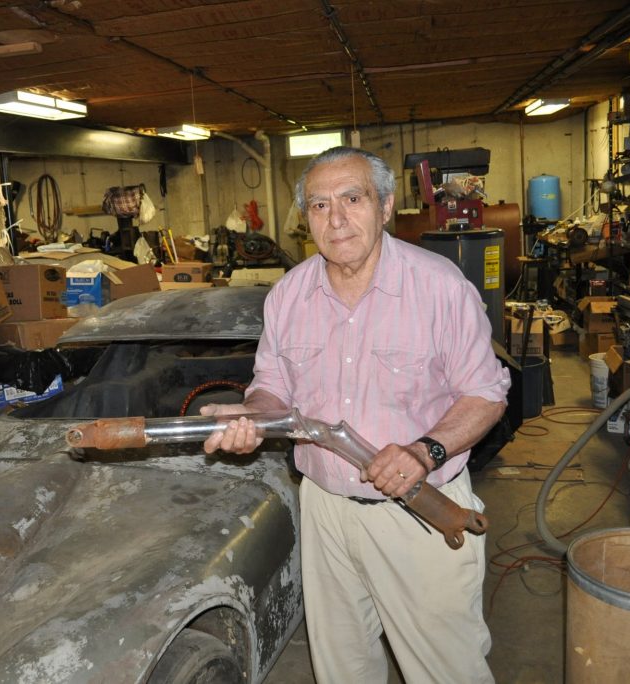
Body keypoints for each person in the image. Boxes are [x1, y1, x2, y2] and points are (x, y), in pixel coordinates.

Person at [200, 146, 510, 683]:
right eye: (319, 205)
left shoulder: (439, 287)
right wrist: (252, 416)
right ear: (306, 219)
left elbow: (486, 394)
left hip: (420, 509)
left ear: (385, 206)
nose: (336, 219)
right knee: (343, 667)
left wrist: (425, 450)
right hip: (325, 509)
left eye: (352, 199)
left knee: (447, 670)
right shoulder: (288, 296)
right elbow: (273, 387)